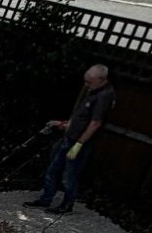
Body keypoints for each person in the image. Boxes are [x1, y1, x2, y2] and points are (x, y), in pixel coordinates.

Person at [25, 64, 115, 214]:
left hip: (79, 143)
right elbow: (80, 117)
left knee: (69, 175)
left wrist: (79, 144)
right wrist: (63, 124)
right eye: (85, 81)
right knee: (53, 169)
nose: (86, 85)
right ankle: (46, 199)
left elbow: (95, 123)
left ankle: (67, 205)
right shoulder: (91, 91)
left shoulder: (104, 96)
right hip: (68, 137)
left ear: (101, 79)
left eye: (89, 82)